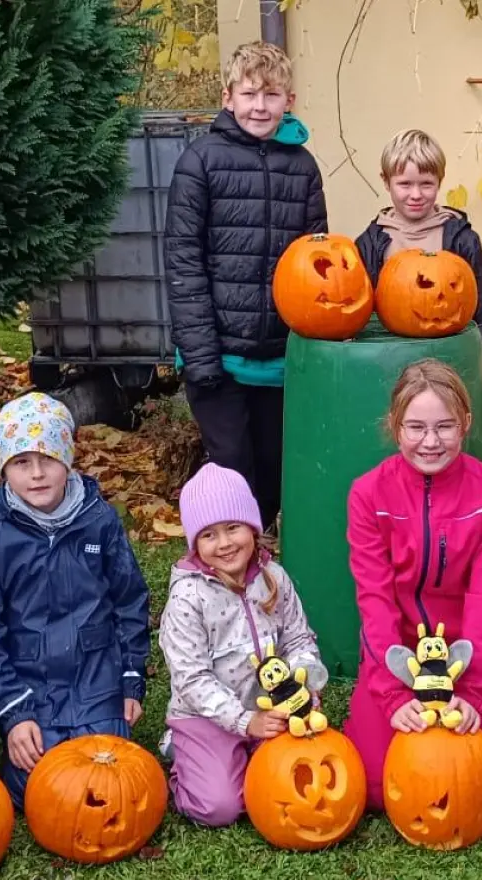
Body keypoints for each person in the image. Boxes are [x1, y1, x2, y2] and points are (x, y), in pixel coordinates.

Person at [341, 359, 482, 813]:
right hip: (399, 656)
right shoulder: (368, 494)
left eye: (445, 426)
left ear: (466, 423)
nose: (430, 442)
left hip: (471, 654)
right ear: (395, 425)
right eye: (416, 427)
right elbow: (374, 599)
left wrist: (470, 690)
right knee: (373, 791)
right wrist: (392, 696)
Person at [165, 40, 329, 531]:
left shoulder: (303, 168)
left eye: (272, 95)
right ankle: (222, 575)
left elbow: (319, 267)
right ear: (228, 97)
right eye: (250, 93)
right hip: (219, 357)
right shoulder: (200, 162)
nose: (260, 106)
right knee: (233, 474)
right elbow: (183, 263)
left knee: (274, 479)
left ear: (289, 101)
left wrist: (310, 354)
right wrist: (201, 357)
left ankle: (263, 580)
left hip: (280, 359)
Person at [0, 393, 152, 808]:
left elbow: (129, 601)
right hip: (29, 685)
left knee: (107, 781)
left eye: (47, 459)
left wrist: (130, 678)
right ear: (3, 470)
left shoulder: (99, 521)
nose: (36, 474)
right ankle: (29, 729)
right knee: (41, 788)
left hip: (95, 677)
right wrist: (13, 714)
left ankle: (98, 720)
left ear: (67, 458)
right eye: (21, 463)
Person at [158, 463, 328, 827]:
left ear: (252, 527)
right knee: (221, 807)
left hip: (273, 709)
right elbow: (192, 679)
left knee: (306, 776)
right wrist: (244, 721)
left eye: (233, 527)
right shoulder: (188, 598)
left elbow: (298, 638)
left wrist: (304, 682)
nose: (224, 544)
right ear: (194, 543)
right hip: (209, 716)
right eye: (208, 535)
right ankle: (183, 758)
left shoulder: (274, 577)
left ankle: (247, 755)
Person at [354, 128, 482, 393]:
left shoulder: (461, 240)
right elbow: (358, 320)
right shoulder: (370, 244)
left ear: (439, 181)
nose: (416, 194)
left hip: (450, 371)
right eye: (405, 184)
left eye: (426, 183)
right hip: (388, 371)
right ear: (386, 182)